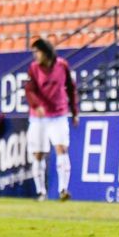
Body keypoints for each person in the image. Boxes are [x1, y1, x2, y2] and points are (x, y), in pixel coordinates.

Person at [25, 39, 79, 202]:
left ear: (46, 51)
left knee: (61, 148)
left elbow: (70, 87)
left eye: (37, 52)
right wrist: (37, 105)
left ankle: (63, 189)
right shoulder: (34, 69)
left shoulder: (62, 65)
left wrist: (74, 111)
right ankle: (41, 192)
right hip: (39, 117)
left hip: (59, 114)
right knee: (39, 154)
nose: (35, 56)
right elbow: (30, 90)